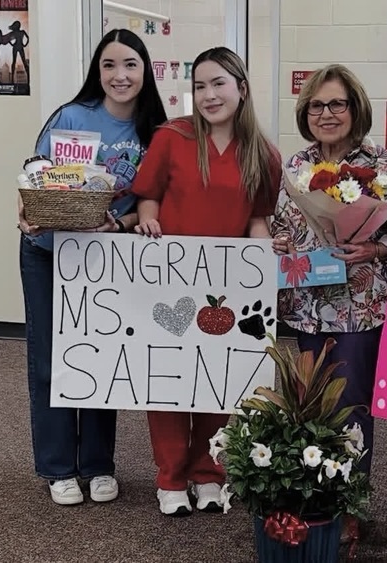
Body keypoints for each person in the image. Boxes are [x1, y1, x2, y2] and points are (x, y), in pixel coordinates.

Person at [16, 29, 167, 506]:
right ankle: (59, 467)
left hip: (105, 259)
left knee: (101, 357)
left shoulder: (157, 131)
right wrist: (25, 210)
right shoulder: (71, 116)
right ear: (96, 71)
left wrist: (119, 223)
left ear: (145, 71)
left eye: (130, 64)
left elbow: (150, 203)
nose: (120, 75)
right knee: (49, 361)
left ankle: (98, 464)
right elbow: (35, 175)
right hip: (48, 252)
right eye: (109, 65)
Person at [130, 46, 281, 516]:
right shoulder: (172, 138)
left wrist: (265, 259)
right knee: (169, 380)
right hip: (170, 282)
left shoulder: (263, 154)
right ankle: (171, 478)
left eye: (219, 83)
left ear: (242, 88)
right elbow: (148, 196)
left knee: (218, 379)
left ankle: (209, 474)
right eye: (200, 86)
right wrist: (149, 220)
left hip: (227, 287)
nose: (209, 95)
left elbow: (257, 219)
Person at [270, 64, 387, 542]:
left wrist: (376, 248)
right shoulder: (296, 165)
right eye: (317, 105)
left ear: (355, 108)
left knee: (351, 406)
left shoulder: (382, 163)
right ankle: (318, 497)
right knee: (310, 405)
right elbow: (282, 224)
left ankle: (351, 506)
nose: (327, 114)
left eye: (337, 104)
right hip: (307, 306)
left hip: (359, 305)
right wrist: (278, 243)